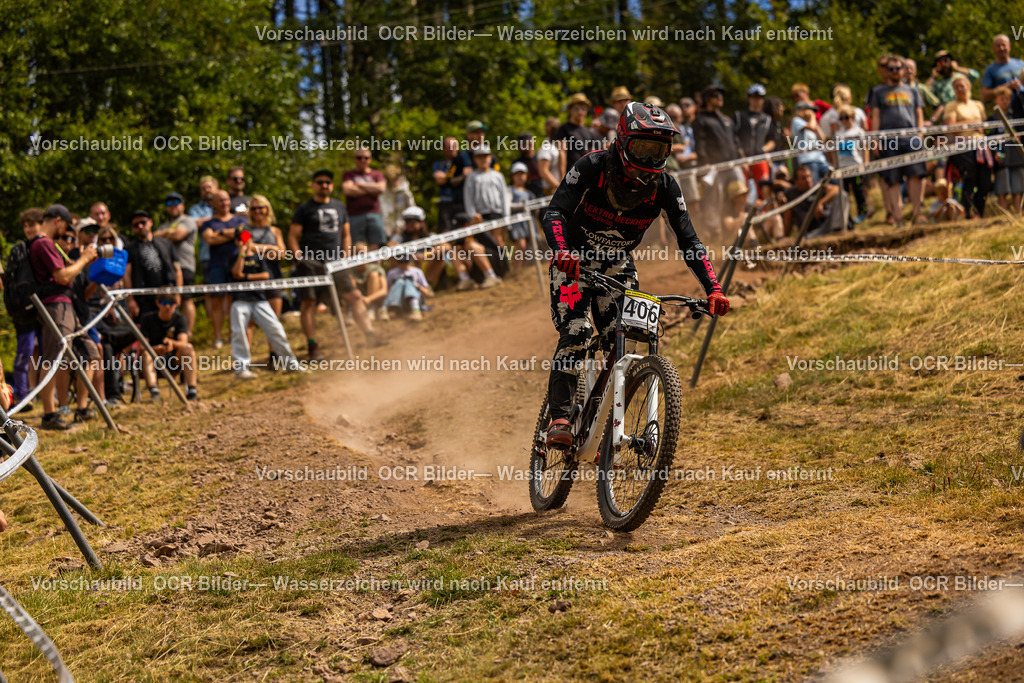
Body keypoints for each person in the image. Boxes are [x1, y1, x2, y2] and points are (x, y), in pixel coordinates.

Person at [540, 102, 729, 445]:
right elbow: (554, 212)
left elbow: (689, 240)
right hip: (575, 264)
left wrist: (713, 287)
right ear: (623, 140)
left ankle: (606, 421)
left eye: (658, 149)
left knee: (626, 337)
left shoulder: (665, 186)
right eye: (642, 146)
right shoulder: (591, 166)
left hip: (617, 266)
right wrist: (562, 251)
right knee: (578, 331)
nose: (649, 157)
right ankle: (562, 418)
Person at [289, 169, 386, 358]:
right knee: (309, 303)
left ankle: (370, 334)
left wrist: (345, 257)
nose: (324, 185)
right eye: (320, 182)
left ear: (332, 186)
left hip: (335, 261)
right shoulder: (304, 209)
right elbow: (293, 235)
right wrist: (299, 257)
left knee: (355, 297)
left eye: (327, 182)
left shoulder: (340, 207)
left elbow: (346, 234)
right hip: (311, 262)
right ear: (313, 185)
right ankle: (312, 346)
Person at [29, 205, 101, 430]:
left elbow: (68, 271)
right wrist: (84, 258)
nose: (65, 232)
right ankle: (49, 415)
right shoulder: (43, 243)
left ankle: (82, 408)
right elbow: (62, 277)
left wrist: (82, 261)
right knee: (53, 357)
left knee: (90, 352)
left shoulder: (49, 245)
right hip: (55, 305)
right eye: (65, 227)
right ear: (58, 221)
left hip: (67, 305)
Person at [229, 231, 303, 378]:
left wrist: (246, 276)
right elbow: (235, 273)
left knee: (276, 329)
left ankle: (291, 364)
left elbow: (266, 275)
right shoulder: (233, 257)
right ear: (236, 242)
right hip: (240, 300)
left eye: (246, 239)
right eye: (240, 239)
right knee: (239, 333)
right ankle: (241, 369)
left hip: (259, 300)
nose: (243, 242)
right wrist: (242, 255)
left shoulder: (258, 257)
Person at [868, 55, 927, 227]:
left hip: (911, 138)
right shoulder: (878, 92)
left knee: (915, 175)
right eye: (891, 69)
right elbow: (876, 116)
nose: (894, 71)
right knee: (892, 179)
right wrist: (875, 139)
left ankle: (917, 214)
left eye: (898, 68)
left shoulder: (913, 91)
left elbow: (919, 113)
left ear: (903, 70)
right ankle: (898, 218)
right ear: (887, 71)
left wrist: (920, 134)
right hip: (888, 140)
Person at [693, 84, 743, 232]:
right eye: (716, 95)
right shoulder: (701, 120)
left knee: (741, 193)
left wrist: (741, 159)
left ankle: (740, 225)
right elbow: (699, 143)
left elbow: (735, 140)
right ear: (707, 99)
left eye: (721, 95)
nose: (720, 98)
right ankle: (714, 232)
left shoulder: (727, 120)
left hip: (733, 164)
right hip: (714, 168)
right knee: (715, 201)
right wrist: (704, 163)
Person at [943, 74, 992, 219]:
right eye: (956, 87)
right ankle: (966, 212)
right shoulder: (951, 106)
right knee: (969, 176)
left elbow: (983, 127)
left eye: (962, 85)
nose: (959, 89)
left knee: (985, 180)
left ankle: (979, 212)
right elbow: (951, 128)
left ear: (968, 87)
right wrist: (972, 122)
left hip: (980, 145)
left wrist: (975, 125)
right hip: (962, 146)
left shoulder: (978, 105)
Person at [201, 191, 246, 348]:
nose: (224, 203)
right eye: (220, 200)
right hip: (217, 264)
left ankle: (234, 334)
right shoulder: (208, 223)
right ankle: (218, 336)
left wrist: (220, 233)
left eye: (226, 199)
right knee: (217, 300)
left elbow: (246, 237)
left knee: (236, 300)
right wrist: (234, 233)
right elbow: (210, 240)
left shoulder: (240, 219)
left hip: (237, 263)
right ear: (214, 203)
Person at [463, 144, 508, 285]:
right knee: (485, 245)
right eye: (480, 157)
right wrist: (473, 216)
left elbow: (504, 196)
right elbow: (468, 198)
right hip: (480, 216)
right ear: (475, 159)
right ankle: (490, 273)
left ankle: (504, 270)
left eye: (485, 156)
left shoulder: (498, 175)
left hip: (497, 214)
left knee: (498, 242)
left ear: (490, 158)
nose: (483, 159)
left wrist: (505, 217)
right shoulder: (472, 177)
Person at [125, 210, 183, 320]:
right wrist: (130, 299)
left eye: (143, 222)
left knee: (170, 327)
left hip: (168, 295)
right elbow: (126, 275)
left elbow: (177, 270)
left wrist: (178, 293)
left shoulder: (166, 244)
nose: (140, 226)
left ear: (150, 222)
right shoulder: (129, 248)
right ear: (132, 228)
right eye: (136, 225)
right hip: (143, 299)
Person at [138, 296, 199, 401]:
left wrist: (172, 344)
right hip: (152, 361)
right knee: (147, 353)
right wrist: (156, 349)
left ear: (176, 304)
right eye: (164, 302)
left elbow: (184, 343)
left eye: (171, 303)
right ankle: (154, 393)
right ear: (158, 303)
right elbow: (142, 347)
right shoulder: (147, 319)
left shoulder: (180, 319)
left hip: (173, 361)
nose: (167, 306)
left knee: (188, 348)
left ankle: (192, 391)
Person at [153, 192, 198, 335]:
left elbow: (178, 235)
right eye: (169, 203)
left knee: (185, 298)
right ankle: (173, 331)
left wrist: (165, 234)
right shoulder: (164, 225)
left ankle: (188, 332)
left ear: (183, 205)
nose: (172, 206)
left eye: (176, 202)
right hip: (167, 268)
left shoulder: (189, 220)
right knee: (168, 299)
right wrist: (170, 232)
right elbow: (153, 237)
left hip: (185, 265)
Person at [245, 194, 287, 318]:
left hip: (273, 274)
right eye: (253, 208)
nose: (257, 211)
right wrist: (271, 248)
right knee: (251, 321)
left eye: (260, 207)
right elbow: (247, 247)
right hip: (253, 275)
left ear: (267, 209)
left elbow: (283, 254)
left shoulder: (275, 231)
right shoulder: (245, 230)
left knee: (275, 318)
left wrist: (258, 251)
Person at [342, 149, 387, 249]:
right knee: (356, 246)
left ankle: (375, 265)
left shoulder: (377, 174)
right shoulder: (349, 174)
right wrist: (372, 190)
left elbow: (381, 188)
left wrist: (358, 185)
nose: (363, 160)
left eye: (366, 158)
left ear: (370, 159)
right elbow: (348, 190)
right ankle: (359, 265)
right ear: (355, 159)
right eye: (359, 157)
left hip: (374, 213)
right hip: (354, 215)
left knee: (376, 245)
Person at [989, 86, 1024, 213]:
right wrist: (995, 152)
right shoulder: (992, 119)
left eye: (1007, 99)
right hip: (1002, 155)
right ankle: (1003, 213)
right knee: (1002, 188)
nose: (1005, 101)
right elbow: (990, 138)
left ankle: (1018, 212)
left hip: (1016, 154)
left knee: (1018, 186)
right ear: (996, 100)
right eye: (1002, 98)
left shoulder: (1015, 116)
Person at [833, 106, 870, 222]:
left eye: (847, 117)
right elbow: (835, 152)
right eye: (841, 118)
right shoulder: (838, 134)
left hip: (856, 166)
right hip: (843, 167)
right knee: (844, 194)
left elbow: (865, 148)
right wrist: (835, 166)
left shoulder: (859, 132)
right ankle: (846, 217)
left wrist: (866, 164)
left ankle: (863, 213)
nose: (844, 120)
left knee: (858, 191)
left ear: (853, 118)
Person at [734, 84, 776, 187]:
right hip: (743, 159)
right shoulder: (739, 116)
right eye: (754, 97)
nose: (756, 100)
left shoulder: (767, 119)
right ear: (749, 98)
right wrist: (740, 156)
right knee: (742, 189)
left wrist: (764, 150)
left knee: (764, 187)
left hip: (760, 159)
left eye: (760, 97)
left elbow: (772, 140)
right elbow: (733, 137)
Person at [783, 165, 840, 238]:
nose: (808, 180)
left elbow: (836, 189)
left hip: (828, 224)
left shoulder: (817, 187)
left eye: (809, 176)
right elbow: (788, 216)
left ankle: (838, 230)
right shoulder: (790, 194)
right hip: (811, 232)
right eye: (804, 178)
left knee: (842, 195)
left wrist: (821, 202)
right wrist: (785, 237)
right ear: (796, 181)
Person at [556, 93, 602, 179]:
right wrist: (562, 177)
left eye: (583, 109)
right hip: (571, 177)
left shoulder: (589, 132)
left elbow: (593, 155)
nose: (580, 112)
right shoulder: (564, 129)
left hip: (587, 176)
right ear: (570, 110)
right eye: (576, 108)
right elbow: (562, 153)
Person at [927, 49, 980, 115]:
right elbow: (925, 92)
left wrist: (957, 68)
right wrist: (933, 76)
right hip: (948, 116)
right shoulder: (937, 84)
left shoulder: (961, 77)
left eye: (945, 60)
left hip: (965, 113)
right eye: (940, 62)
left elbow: (975, 75)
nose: (943, 64)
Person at [383, 253, 432, 322]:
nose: (403, 264)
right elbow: (386, 292)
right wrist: (392, 288)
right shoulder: (392, 273)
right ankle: (385, 310)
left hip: (416, 300)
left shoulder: (417, 272)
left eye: (405, 261)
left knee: (409, 283)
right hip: (398, 302)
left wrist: (418, 286)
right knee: (400, 282)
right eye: (401, 262)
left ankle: (416, 310)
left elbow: (427, 293)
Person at [791, 102, 829, 183]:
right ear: (802, 110)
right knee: (814, 187)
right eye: (811, 111)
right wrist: (813, 118)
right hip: (809, 160)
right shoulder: (796, 120)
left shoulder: (812, 123)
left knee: (833, 182)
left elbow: (823, 140)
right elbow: (811, 126)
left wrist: (817, 125)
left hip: (821, 160)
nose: (813, 113)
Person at [351, 242, 389, 322]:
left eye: (363, 253)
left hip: (374, 300)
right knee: (350, 279)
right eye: (357, 253)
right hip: (358, 301)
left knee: (374, 275)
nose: (360, 256)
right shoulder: (351, 272)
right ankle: (351, 313)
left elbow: (384, 290)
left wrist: (368, 299)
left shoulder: (376, 268)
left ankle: (372, 309)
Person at [508, 161, 536, 268]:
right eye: (517, 174)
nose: (520, 177)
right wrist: (522, 206)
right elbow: (508, 206)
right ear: (512, 176)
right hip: (516, 222)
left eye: (522, 174)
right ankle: (516, 270)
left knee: (527, 247)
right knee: (521, 245)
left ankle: (522, 270)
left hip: (529, 223)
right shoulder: (509, 190)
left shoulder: (530, 193)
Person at [981, 34, 1024, 102]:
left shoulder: (1021, 64)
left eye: (1004, 45)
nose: (1001, 48)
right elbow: (984, 95)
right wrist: (1006, 87)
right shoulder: (990, 69)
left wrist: (1020, 85)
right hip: (1006, 110)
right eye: (998, 46)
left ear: (1009, 46)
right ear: (994, 48)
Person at [380, 164, 417, 239]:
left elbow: (412, 208)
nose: (393, 182)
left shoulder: (405, 189)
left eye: (395, 179)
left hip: (405, 227)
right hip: (388, 229)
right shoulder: (384, 192)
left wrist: (402, 226)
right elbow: (384, 210)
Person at [536, 117, 563, 195]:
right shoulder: (546, 147)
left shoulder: (557, 145)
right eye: (553, 127)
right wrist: (559, 187)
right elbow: (543, 171)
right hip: (551, 192)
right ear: (547, 128)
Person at [514, 133, 544, 197]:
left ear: (531, 143)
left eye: (523, 144)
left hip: (543, 195)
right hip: (525, 197)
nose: (520, 147)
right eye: (519, 145)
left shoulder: (541, 158)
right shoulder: (517, 163)